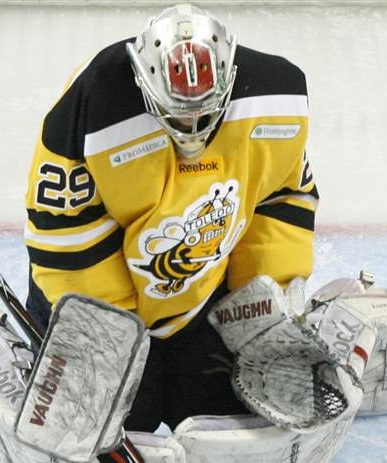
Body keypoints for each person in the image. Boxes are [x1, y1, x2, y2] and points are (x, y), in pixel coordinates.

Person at [23, 2, 318, 433]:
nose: (192, 125)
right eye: (177, 113)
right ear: (145, 83)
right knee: (127, 420)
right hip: (99, 301)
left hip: (196, 297)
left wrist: (259, 300)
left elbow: (282, 197)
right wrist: (115, 340)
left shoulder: (275, 100)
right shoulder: (93, 105)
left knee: (217, 414)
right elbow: (68, 239)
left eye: (206, 111)